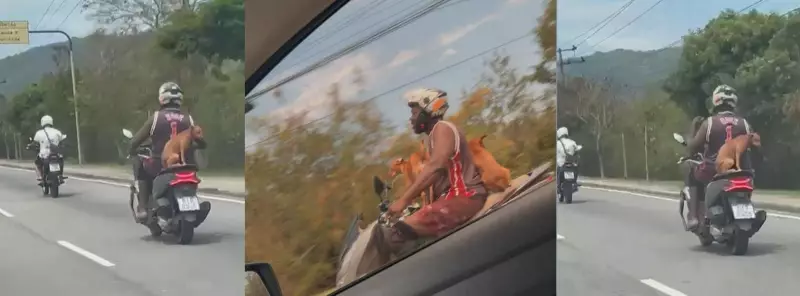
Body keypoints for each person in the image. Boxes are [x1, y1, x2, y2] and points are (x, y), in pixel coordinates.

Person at [383, 88, 488, 250]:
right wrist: (406, 198)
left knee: (399, 232)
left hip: (465, 196)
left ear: (428, 110)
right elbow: (434, 175)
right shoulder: (433, 136)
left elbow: (436, 166)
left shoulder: (442, 128)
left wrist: (404, 200)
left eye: (414, 113)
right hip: (456, 198)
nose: (411, 119)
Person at [127, 82, 209, 222]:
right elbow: (200, 142)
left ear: (161, 98)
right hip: (186, 166)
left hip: (161, 165)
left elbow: (135, 141)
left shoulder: (156, 118)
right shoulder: (188, 119)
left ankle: (143, 206)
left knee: (141, 164)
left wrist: (132, 149)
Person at [684, 84, 760, 230]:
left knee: (691, 171)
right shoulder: (744, 123)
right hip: (742, 170)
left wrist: (693, 130)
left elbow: (693, 146)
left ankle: (693, 216)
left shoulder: (710, 123)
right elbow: (755, 146)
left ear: (716, 101)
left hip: (715, 170)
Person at [31, 115, 66, 185]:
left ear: (42, 122)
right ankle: (60, 175)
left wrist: (31, 146)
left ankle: (41, 177)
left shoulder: (39, 133)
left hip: (44, 154)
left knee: (37, 163)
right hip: (56, 153)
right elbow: (62, 140)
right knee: (61, 160)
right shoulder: (57, 131)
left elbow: (34, 143)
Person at [556, 127, 581, 197]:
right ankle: (575, 182)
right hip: (572, 164)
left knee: (557, 172)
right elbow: (577, 149)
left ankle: (558, 186)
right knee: (576, 169)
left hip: (561, 164)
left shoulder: (558, 143)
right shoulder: (572, 142)